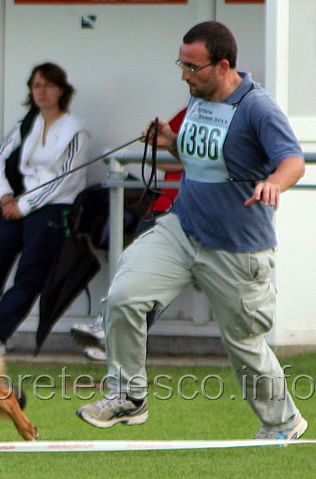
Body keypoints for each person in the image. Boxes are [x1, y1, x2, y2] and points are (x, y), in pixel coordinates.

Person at [76, 21, 308, 441]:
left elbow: (292, 160)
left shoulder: (258, 107)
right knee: (125, 296)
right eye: (180, 65)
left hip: (237, 249)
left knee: (245, 348)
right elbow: (205, 154)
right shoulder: (199, 99)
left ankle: (283, 422)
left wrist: (275, 181)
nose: (184, 75)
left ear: (222, 66)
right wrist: (171, 141)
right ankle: (128, 397)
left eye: (192, 67)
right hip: (183, 230)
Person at [0, 62, 91, 353]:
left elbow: (65, 178)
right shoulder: (27, 123)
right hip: (17, 206)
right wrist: (5, 196)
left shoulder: (76, 129)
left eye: (48, 85)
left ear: (61, 90)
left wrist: (24, 205)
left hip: (53, 209)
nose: (42, 91)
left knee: (29, 275)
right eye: (36, 85)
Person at [72, 108, 187, 361]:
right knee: (134, 269)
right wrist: (149, 152)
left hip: (194, 215)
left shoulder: (232, 113)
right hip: (160, 208)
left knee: (153, 283)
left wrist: (154, 154)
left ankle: (113, 335)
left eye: (192, 69)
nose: (186, 75)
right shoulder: (186, 113)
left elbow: (193, 160)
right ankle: (109, 330)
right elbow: (169, 159)